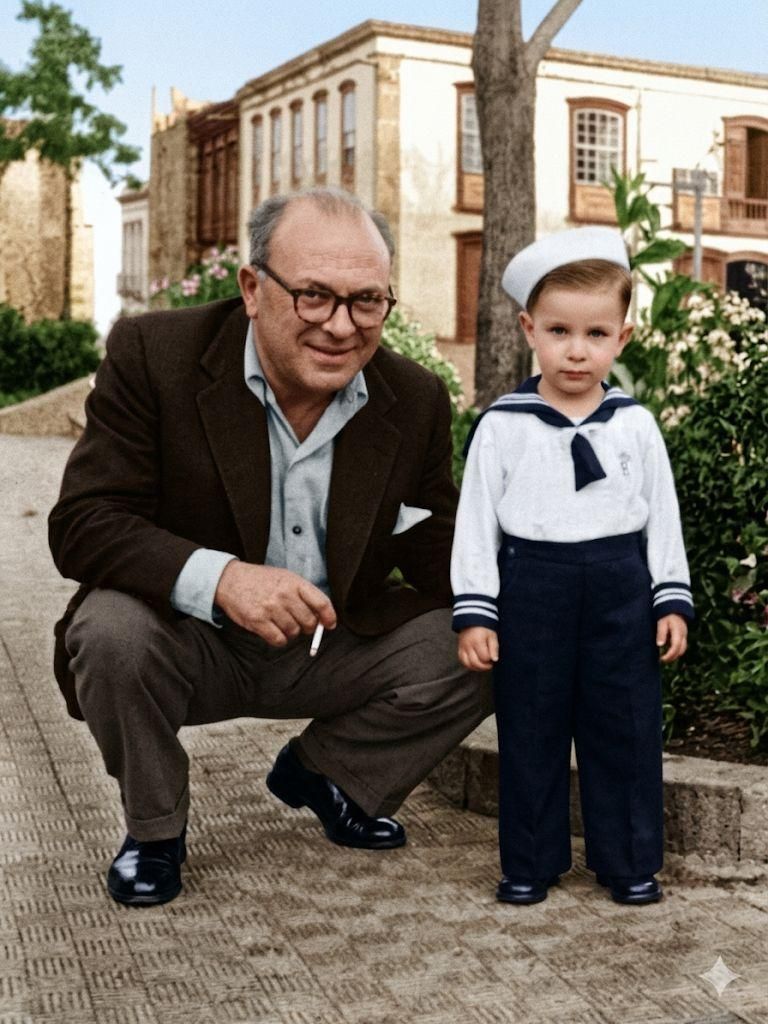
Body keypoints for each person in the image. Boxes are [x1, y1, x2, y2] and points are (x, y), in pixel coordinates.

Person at [49, 186, 492, 907]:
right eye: (314, 296)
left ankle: (333, 775)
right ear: (253, 288)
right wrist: (222, 579)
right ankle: (154, 832)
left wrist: (559, 593)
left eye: (367, 301)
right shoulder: (154, 355)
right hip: (189, 641)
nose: (341, 327)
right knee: (109, 632)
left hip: (332, 647)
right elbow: (84, 521)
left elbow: (440, 542)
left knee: (482, 638)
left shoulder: (412, 398)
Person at [450, 227, 693, 906]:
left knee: (625, 726)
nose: (577, 350)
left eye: (595, 333)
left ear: (623, 338)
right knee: (532, 726)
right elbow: (476, 522)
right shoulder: (505, 424)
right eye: (559, 330)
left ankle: (629, 861)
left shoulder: (634, 425)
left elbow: (662, 517)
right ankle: (529, 861)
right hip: (534, 586)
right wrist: (477, 609)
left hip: (621, 587)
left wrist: (669, 599)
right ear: (530, 329)